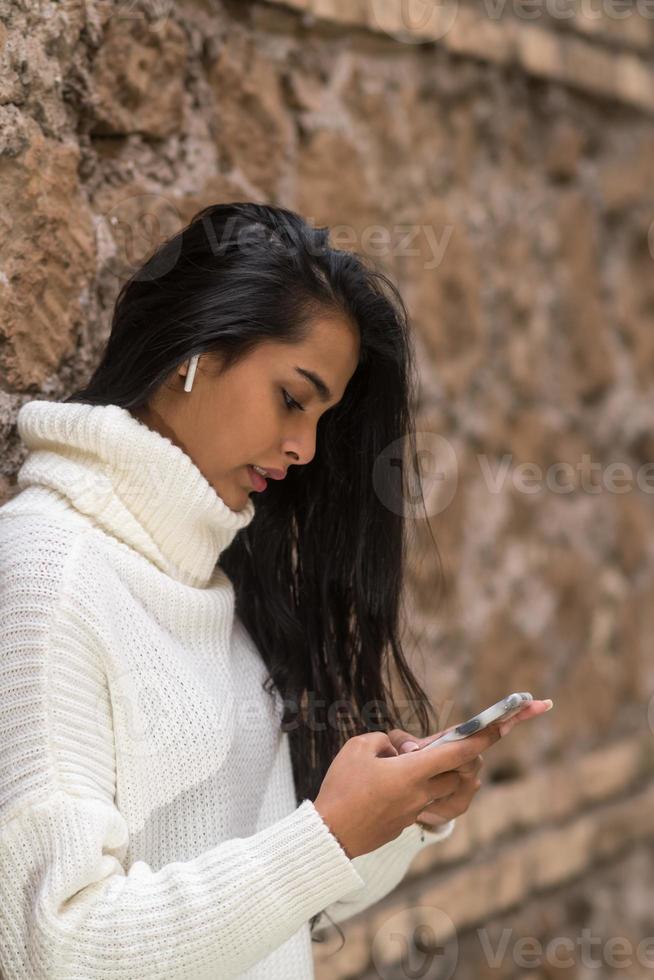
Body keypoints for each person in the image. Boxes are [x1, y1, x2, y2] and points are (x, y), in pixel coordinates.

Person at [0, 202, 552, 978]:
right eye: (293, 398)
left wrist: (393, 818)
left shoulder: (218, 583)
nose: (303, 449)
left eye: (323, 418)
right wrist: (323, 833)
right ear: (191, 350)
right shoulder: (49, 576)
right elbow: (55, 948)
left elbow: (266, 913)